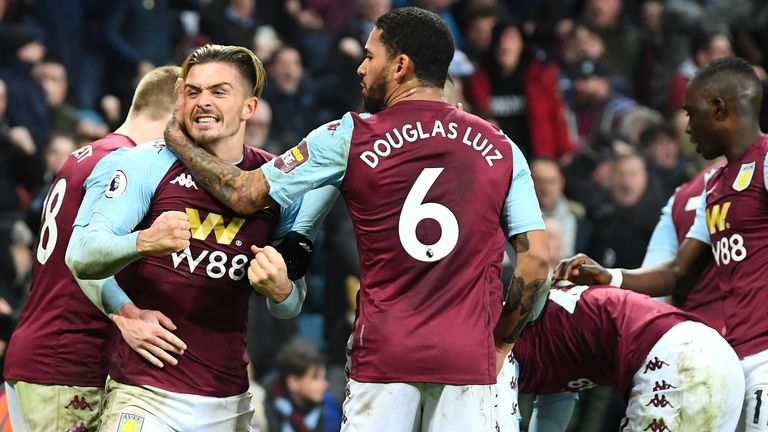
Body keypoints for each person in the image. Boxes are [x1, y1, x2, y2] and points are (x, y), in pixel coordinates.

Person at [164, 7, 550, 431]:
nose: (361, 67)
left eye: (371, 56)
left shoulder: (348, 135)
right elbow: (535, 264)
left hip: (384, 356)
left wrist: (179, 141)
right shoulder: (502, 147)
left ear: (400, 66)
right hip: (470, 360)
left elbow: (244, 193)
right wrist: (500, 343)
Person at [67, 44, 329, 432]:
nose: (202, 102)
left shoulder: (275, 181)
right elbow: (81, 254)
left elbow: (290, 305)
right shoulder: (144, 162)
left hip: (230, 401)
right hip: (145, 394)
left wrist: (280, 290)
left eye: (218, 92)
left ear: (249, 108)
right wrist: (143, 244)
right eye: (193, 91)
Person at [553, 56, 768, 431]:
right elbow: (679, 271)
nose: (686, 127)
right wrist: (612, 277)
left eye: (692, 113)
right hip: (735, 358)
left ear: (718, 109)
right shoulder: (713, 186)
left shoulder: (766, 161)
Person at [3, 66, 185, 432]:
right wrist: (126, 314)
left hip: (46, 353)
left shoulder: (86, 155)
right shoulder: (123, 163)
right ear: (174, 117)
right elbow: (81, 255)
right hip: (68, 360)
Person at [510, 284, 743, 431]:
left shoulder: (502, 348)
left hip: (676, 358)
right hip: (713, 353)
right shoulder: (544, 341)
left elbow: (490, 420)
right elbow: (554, 401)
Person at [642, 160, 726, 333]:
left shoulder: (680, 197)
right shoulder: (758, 169)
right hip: (753, 330)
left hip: (699, 338)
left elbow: (651, 298)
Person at [263, 338, 342, 432]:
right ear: (293, 383)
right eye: (315, 378)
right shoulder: (265, 407)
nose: (325, 384)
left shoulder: (329, 410)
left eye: (324, 377)